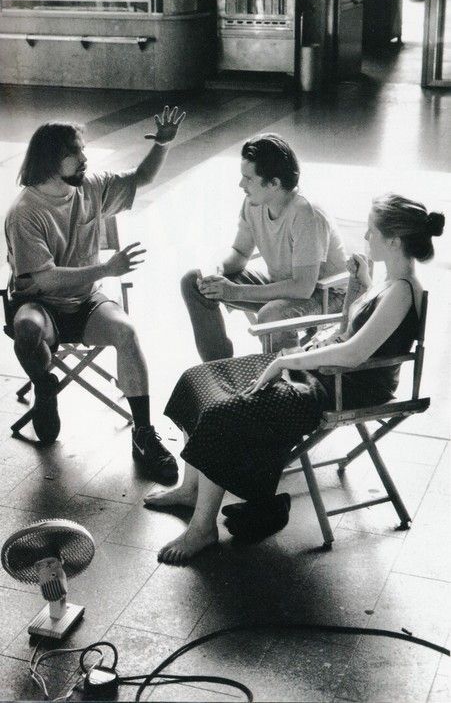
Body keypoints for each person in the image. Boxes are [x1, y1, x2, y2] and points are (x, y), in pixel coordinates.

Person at [144, 193, 444, 565]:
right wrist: (360, 286)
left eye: (372, 230)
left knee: (225, 412)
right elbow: (351, 330)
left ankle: (203, 528)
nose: (366, 236)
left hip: (338, 388)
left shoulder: (400, 291)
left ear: (395, 240)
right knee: (200, 379)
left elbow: (353, 353)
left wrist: (288, 360)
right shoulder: (390, 282)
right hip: (322, 372)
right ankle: (191, 489)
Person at [5, 105, 185, 484]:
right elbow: (47, 279)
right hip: (40, 302)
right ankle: (44, 385)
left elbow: (142, 178)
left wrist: (163, 145)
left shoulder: (90, 186)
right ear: (54, 160)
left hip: (86, 301)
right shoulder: (25, 212)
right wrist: (106, 268)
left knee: (127, 333)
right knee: (26, 329)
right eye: (77, 152)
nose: (85, 158)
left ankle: (143, 434)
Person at [181, 133, 347, 359]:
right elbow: (240, 253)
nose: (241, 184)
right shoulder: (254, 201)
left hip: (325, 293)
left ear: (274, 183)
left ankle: (285, 383)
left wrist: (236, 291)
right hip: (283, 284)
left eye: (248, 178)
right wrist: (216, 268)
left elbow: (303, 288)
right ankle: (220, 367)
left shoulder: (307, 213)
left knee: (271, 315)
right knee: (195, 281)